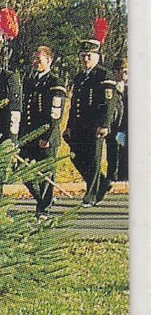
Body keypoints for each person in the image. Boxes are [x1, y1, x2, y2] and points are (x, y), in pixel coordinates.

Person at [66, 31, 120, 206]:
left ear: (97, 56)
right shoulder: (79, 77)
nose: (85, 59)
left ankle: (92, 194)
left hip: (96, 125)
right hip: (80, 125)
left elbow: (108, 103)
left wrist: (104, 124)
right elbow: (75, 105)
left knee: (93, 159)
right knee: (76, 156)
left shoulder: (104, 75)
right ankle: (102, 183)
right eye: (83, 56)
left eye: (89, 56)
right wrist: (69, 126)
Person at [17, 44, 67, 218]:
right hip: (29, 136)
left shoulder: (55, 82)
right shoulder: (29, 81)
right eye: (33, 58)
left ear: (49, 60)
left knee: (46, 175)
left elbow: (56, 114)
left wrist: (47, 136)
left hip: (46, 136)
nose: (35, 62)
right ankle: (44, 200)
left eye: (39, 58)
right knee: (24, 172)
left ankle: (43, 209)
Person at [110, 57, 128, 184]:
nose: (125, 74)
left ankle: (124, 177)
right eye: (123, 71)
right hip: (112, 126)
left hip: (126, 127)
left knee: (125, 155)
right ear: (115, 72)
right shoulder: (110, 88)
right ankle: (112, 178)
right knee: (112, 154)